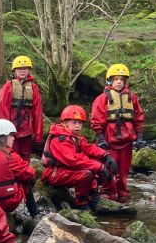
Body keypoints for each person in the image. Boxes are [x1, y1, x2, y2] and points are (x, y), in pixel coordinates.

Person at [41, 105, 118, 210]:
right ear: (64, 122)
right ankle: (81, 203)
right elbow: (72, 160)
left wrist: (106, 156)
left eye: (80, 123)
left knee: (96, 163)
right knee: (88, 173)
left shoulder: (75, 137)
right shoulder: (60, 139)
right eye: (74, 122)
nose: (78, 126)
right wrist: (100, 167)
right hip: (55, 173)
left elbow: (89, 148)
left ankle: (91, 194)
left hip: (66, 170)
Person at [91, 63, 144, 202]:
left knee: (123, 169)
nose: (119, 82)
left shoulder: (132, 97)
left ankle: (122, 191)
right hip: (109, 140)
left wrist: (139, 136)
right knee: (109, 166)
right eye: (116, 79)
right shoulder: (102, 98)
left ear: (125, 81)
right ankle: (108, 191)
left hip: (127, 141)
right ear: (110, 81)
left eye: (121, 79)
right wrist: (100, 138)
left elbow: (138, 117)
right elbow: (96, 119)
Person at [0, 55, 43, 161]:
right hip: (12, 129)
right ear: (15, 70)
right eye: (19, 69)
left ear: (29, 70)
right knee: (12, 155)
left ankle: (25, 170)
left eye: (25, 68)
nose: (22, 71)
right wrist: (5, 130)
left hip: (27, 129)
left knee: (25, 155)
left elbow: (37, 112)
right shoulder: (8, 86)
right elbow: (2, 109)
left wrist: (38, 136)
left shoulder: (33, 87)